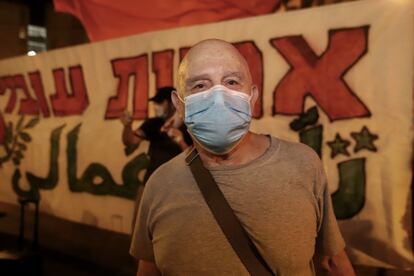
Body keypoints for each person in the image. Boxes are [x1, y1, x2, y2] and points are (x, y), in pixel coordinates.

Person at [130, 39, 355, 275]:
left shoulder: (303, 164)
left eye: (232, 81)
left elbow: (333, 263)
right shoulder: (160, 184)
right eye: (199, 86)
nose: (218, 96)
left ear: (252, 96)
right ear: (180, 104)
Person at [121, 86, 192, 183]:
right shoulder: (153, 124)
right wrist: (127, 126)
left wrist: (180, 141)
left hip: (179, 182)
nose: (156, 106)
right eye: (155, 103)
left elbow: (194, 159)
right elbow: (130, 141)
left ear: (173, 104)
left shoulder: (189, 125)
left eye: (160, 102)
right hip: (152, 180)